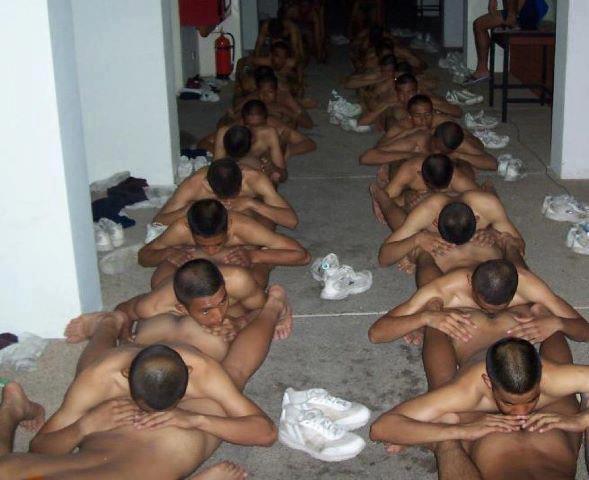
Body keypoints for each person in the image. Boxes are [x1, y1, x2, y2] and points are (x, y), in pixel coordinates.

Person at [2, 287, 289, 479]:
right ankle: (109, 323)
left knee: (230, 379)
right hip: (147, 428)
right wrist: (84, 425)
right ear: (127, 374)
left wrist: (195, 419)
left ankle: (272, 307)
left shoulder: (199, 369)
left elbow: (265, 433)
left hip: (168, 409)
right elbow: (40, 448)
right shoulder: (106, 372)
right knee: (231, 377)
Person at [369, 336, 585, 480]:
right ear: (488, 382)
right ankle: (444, 441)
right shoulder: (467, 390)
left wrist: (580, 421)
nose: (522, 414)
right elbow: (381, 428)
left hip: (541, 427)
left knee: (449, 416)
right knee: (446, 398)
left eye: (531, 399)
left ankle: (442, 439)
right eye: (509, 403)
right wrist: (462, 431)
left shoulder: (555, 376)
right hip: (492, 430)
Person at [369, 259, 589, 346]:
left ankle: (511, 248)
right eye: (481, 303)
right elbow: (376, 333)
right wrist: (424, 318)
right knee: (431, 301)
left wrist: (559, 323)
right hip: (450, 263)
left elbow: (585, 330)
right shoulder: (445, 287)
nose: (487, 311)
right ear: (470, 284)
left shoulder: (529, 284)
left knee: (543, 312)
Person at [140, 199, 311, 287]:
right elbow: (143, 256)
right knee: (159, 281)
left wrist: (254, 256)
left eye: (218, 243)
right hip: (203, 262)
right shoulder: (181, 228)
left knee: (255, 282)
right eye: (203, 244)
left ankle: (266, 265)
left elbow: (302, 256)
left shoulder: (243, 226)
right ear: (189, 228)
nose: (211, 250)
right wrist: (167, 253)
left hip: (247, 247)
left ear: (228, 227)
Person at [376, 191, 525, 277]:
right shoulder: (429, 210)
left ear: (477, 219)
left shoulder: (487, 205)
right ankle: (382, 197)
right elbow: (383, 258)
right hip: (425, 219)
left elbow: (520, 247)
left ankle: (488, 187)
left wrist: (496, 235)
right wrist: (417, 239)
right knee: (405, 225)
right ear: (435, 223)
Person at [153, 158, 298, 229]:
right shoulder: (194, 183)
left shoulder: (254, 178)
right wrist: (188, 209)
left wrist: (251, 203)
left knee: (265, 222)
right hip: (211, 227)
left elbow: (291, 221)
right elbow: (159, 221)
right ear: (207, 183)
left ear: (242, 178)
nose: (228, 200)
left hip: (247, 221)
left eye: (235, 194)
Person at [368, 153, 480, 226]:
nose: (438, 192)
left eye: (443, 188)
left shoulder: (459, 179)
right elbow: (384, 202)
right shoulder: (409, 170)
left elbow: (484, 203)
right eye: (434, 188)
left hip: (454, 171)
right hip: (408, 163)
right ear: (420, 175)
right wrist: (406, 198)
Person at [198, 100, 317, 163]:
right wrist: (223, 151)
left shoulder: (274, 127)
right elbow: (203, 142)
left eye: (259, 125)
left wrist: (285, 152)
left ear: (266, 120)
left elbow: (309, 144)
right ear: (243, 121)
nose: (253, 130)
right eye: (249, 125)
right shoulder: (236, 128)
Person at [360, 121, 497, 172]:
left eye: (444, 151)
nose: (437, 153)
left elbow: (492, 163)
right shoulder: (418, 140)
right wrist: (411, 155)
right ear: (432, 136)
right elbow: (367, 157)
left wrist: (458, 155)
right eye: (436, 147)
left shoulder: (458, 144)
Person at [378, 95, 484, 150]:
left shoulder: (441, 121)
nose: (423, 120)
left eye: (427, 115)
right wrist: (408, 133)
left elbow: (478, 144)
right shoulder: (403, 126)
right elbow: (379, 147)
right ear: (410, 117)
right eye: (418, 116)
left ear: (433, 113)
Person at [465, 0, 527, 85]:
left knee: (479, 24)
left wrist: (511, 16)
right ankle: (482, 70)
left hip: (527, 12)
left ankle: (482, 70)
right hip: (520, 12)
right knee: (479, 24)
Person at [215, 124, 287, 184]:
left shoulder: (268, 134)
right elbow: (216, 171)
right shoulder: (223, 133)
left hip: (258, 170)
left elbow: (282, 176)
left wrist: (273, 168)